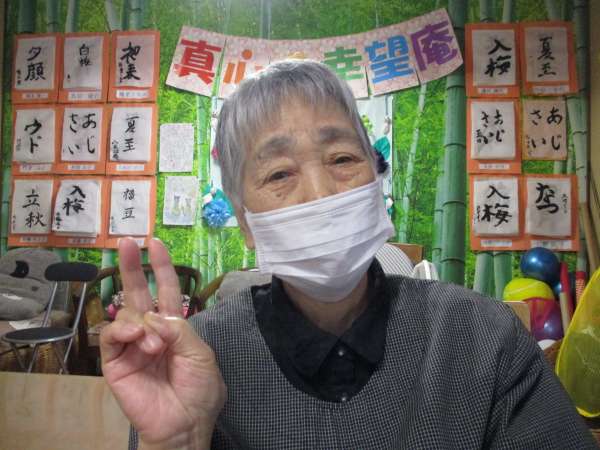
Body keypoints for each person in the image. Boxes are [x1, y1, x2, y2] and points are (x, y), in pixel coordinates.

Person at [101, 60, 597, 450]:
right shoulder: (197, 358)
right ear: (245, 222)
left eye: (342, 158)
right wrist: (180, 444)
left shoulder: (483, 339)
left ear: (376, 181)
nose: (321, 192)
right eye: (279, 173)